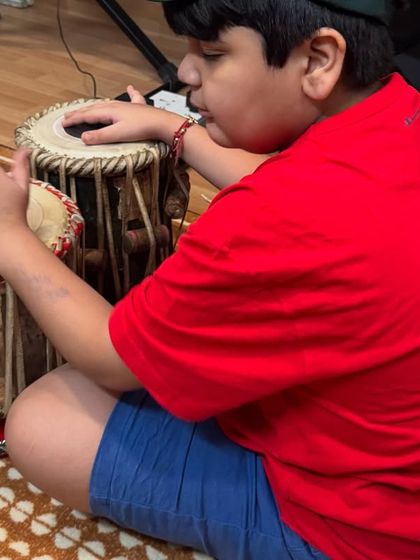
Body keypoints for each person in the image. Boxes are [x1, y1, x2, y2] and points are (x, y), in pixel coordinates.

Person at [1, 0, 419, 558]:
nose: (184, 73)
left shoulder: (269, 221)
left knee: (41, 420)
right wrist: (179, 132)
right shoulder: (400, 107)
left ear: (319, 59)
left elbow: (110, 356)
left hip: (364, 530)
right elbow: (295, 182)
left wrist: (11, 237)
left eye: (213, 54)